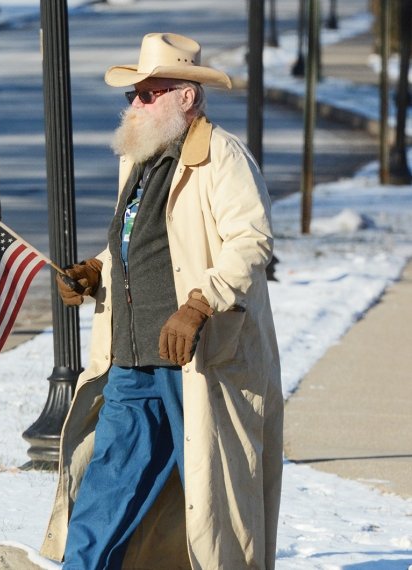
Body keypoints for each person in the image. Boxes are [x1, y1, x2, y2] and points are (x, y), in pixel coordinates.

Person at [39, 33, 283, 569]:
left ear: (186, 97)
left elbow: (251, 241)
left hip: (196, 359)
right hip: (131, 358)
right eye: (134, 94)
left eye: (148, 93)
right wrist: (96, 269)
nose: (135, 104)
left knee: (212, 504)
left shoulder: (220, 155)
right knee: (105, 487)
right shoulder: (142, 158)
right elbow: (135, 239)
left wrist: (200, 304)